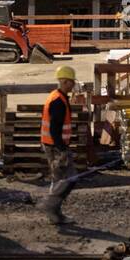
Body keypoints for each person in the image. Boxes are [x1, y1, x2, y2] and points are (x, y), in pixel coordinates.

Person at [39, 65, 78, 226]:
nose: (73, 85)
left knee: (60, 179)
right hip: (56, 147)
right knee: (68, 178)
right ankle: (50, 208)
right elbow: (55, 129)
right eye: (71, 82)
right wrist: (62, 150)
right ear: (64, 81)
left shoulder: (57, 97)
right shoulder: (58, 102)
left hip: (54, 145)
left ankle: (53, 210)